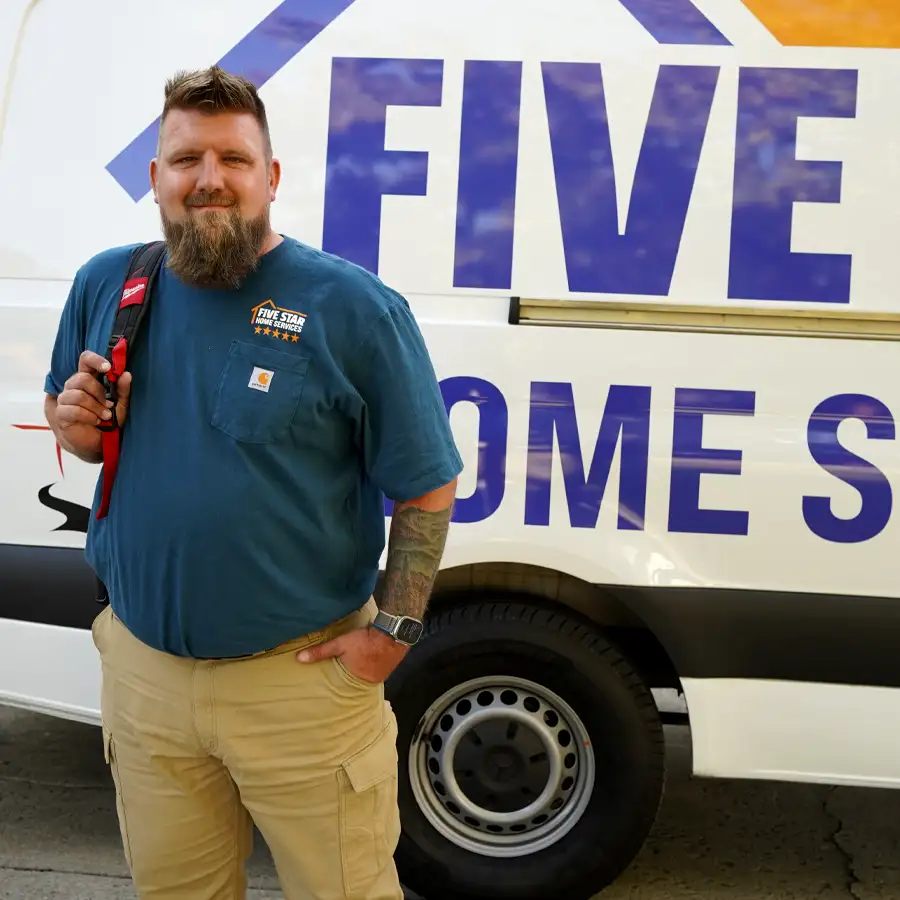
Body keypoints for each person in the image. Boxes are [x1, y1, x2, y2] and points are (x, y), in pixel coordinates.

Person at [42, 65, 462, 900]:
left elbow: (425, 485)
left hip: (299, 685)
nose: (209, 180)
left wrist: (391, 636)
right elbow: (77, 426)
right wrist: (74, 427)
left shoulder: (352, 306)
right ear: (155, 178)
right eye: (185, 158)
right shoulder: (107, 285)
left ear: (269, 178)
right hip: (145, 679)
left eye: (233, 159)